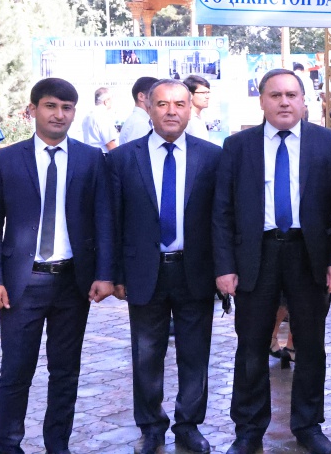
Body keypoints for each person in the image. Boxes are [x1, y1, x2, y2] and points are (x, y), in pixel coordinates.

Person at [212, 68, 331, 454]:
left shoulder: (325, 143)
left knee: (310, 344)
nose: (284, 102)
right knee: (251, 345)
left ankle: (308, 424)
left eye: (292, 94)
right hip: (255, 255)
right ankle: (248, 429)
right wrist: (224, 267)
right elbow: (222, 211)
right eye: (275, 95)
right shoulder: (237, 146)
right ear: (262, 101)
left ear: (304, 101)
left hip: (308, 255)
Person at [0, 78, 114, 454]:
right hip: (23, 284)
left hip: (74, 283)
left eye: (67, 107)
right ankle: (8, 446)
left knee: (66, 372)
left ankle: (58, 445)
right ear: (33, 109)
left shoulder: (91, 159)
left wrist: (104, 274)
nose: (59, 114)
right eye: (51, 106)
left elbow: (103, 221)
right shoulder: (7, 159)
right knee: (16, 373)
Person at [109, 80, 223, 454]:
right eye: (162, 104)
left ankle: (188, 424)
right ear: (149, 108)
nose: (171, 111)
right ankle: (152, 425)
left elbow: (223, 220)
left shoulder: (212, 157)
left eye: (179, 104)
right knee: (146, 354)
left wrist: (225, 270)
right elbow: (113, 221)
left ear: (190, 108)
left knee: (195, 352)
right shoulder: (123, 159)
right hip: (145, 272)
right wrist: (115, 275)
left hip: (196, 271)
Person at [118, 76, 159, 145]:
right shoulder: (140, 124)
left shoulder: (140, 121)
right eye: (155, 95)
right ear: (141, 96)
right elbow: (138, 154)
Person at [82, 86, 118, 152]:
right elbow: (110, 144)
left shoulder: (87, 116)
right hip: (102, 158)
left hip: (89, 156)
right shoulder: (103, 116)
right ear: (106, 101)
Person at [183, 74, 212, 141]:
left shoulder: (203, 115)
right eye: (203, 93)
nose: (207, 97)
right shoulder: (186, 119)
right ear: (190, 95)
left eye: (208, 92)